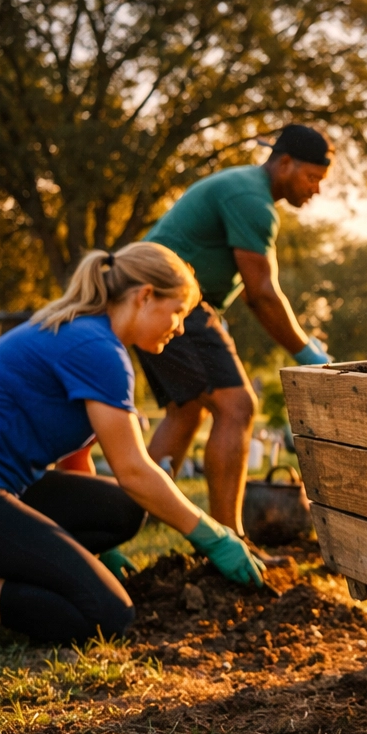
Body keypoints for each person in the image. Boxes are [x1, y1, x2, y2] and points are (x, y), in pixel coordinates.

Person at [0, 244, 268, 654]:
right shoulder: (97, 348)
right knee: (105, 615)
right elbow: (135, 471)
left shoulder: (84, 333)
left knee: (122, 509)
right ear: (145, 296)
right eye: (178, 311)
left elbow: (77, 461)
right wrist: (212, 534)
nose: (179, 327)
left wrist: (97, 550)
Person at [140, 125, 334, 532]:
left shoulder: (243, 187)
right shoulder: (252, 200)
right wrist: (308, 355)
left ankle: (128, 522)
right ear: (284, 163)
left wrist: (302, 341)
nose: (316, 190)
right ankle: (230, 538)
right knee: (238, 407)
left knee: (186, 410)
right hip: (175, 300)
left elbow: (251, 291)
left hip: (145, 297)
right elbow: (262, 293)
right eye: (312, 177)